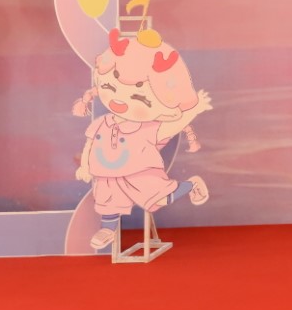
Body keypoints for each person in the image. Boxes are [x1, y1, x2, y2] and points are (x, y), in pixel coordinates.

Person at [74, 27, 212, 252]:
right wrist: (85, 166)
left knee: (159, 197)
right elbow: (90, 144)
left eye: (138, 96)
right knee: (107, 200)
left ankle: (190, 185)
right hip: (107, 174)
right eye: (110, 87)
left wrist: (194, 109)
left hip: (141, 173)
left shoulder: (149, 128)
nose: (120, 101)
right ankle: (108, 228)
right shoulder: (102, 122)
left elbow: (174, 125)